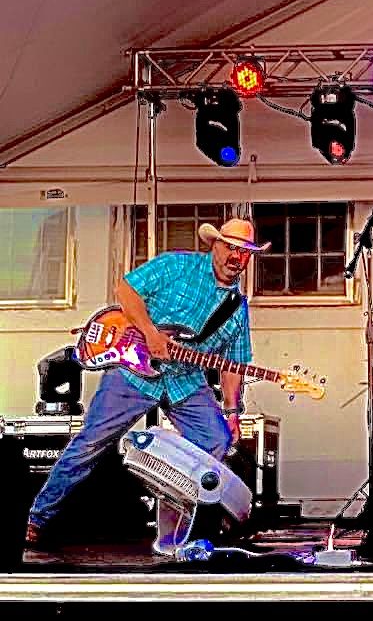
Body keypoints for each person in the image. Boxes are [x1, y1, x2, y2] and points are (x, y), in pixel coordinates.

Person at [25, 218, 269, 550]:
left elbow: (232, 365)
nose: (235, 257)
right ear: (215, 245)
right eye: (230, 247)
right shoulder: (176, 265)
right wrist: (151, 334)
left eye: (244, 252)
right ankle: (38, 519)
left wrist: (232, 411)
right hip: (133, 373)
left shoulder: (236, 309)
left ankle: (180, 528)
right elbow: (126, 291)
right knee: (89, 444)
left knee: (216, 441)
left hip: (185, 380)